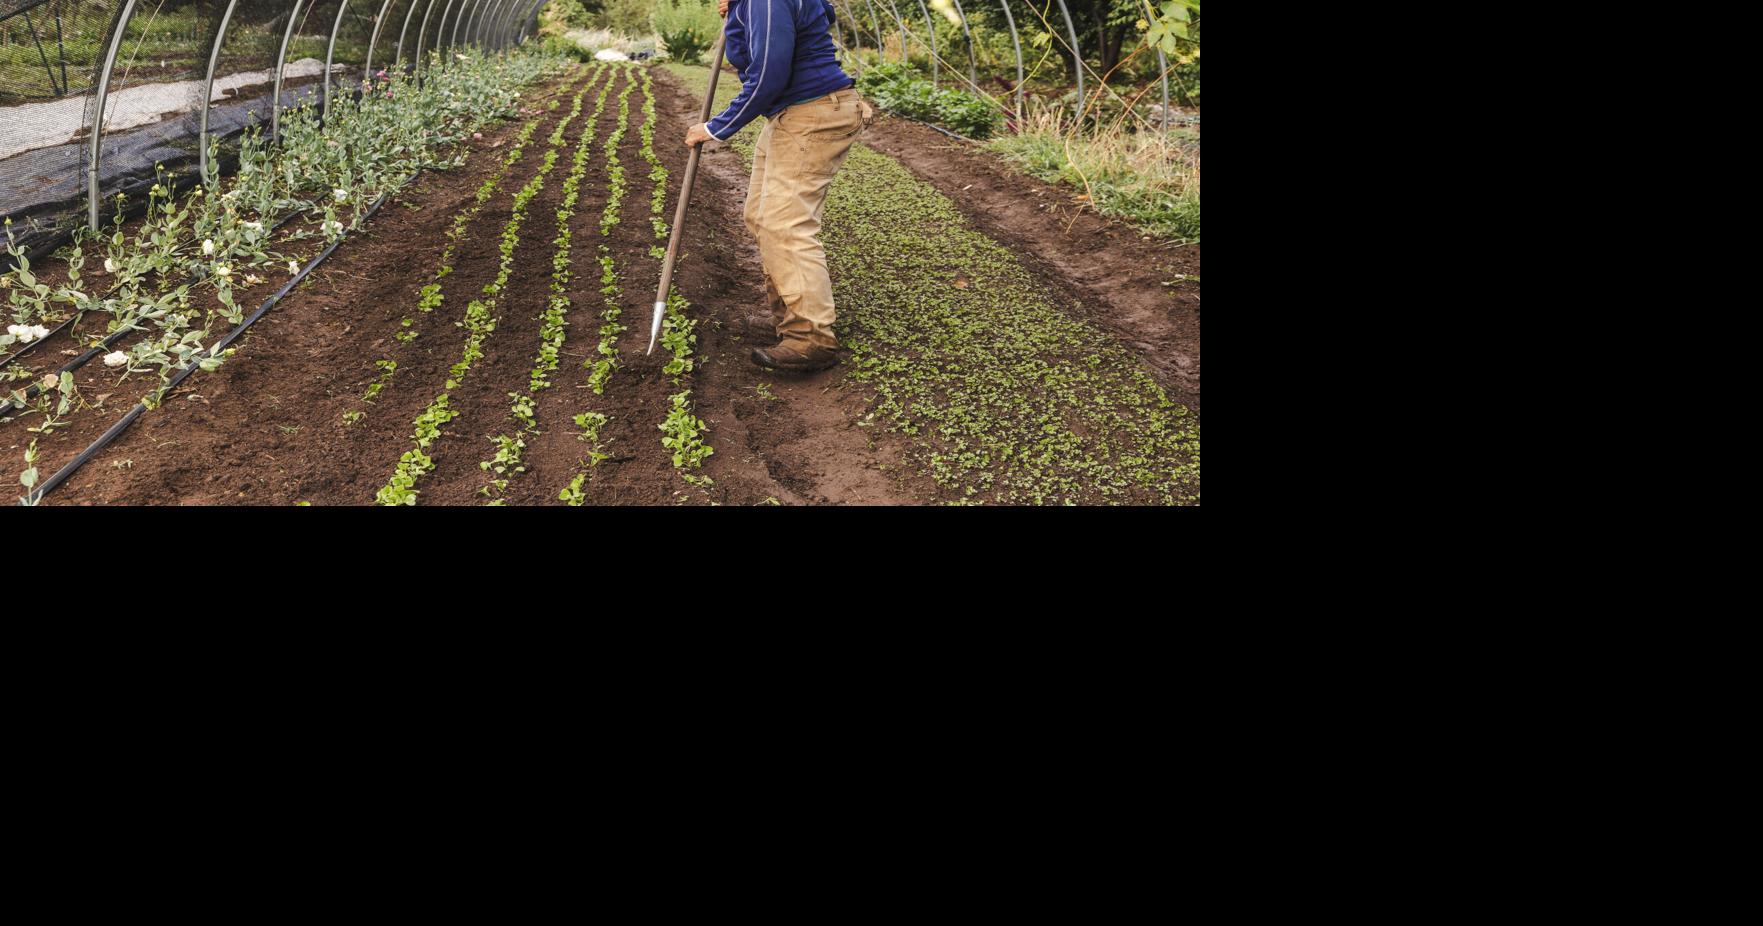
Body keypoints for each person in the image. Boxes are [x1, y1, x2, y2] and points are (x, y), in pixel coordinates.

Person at [686, 0, 871, 373]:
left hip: (811, 113)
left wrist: (716, 127)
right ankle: (790, 319)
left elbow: (769, 74)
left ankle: (811, 338)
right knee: (761, 215)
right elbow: (822, 12)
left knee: (785, 225)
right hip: (792, 113)